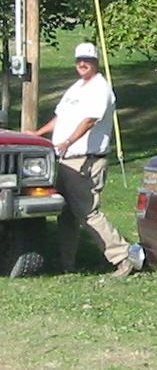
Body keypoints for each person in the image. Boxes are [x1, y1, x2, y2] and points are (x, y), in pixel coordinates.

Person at [31, 42, 136, 276]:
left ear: (96, 62)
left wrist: (68, 141)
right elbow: (60, 117)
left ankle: (124, 257)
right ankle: (66, 263)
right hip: (65, 159)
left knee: (87, 212)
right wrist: (38, 134)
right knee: (66, 214)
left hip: (87, 160)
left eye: (87, 60)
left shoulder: (100, 89)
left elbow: (90, 120)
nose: (82, 63)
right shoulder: (76, 88)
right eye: (79, 59)